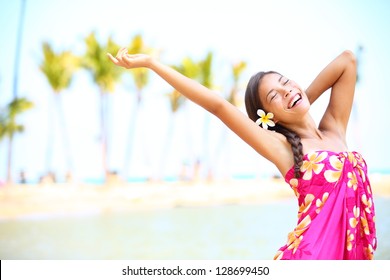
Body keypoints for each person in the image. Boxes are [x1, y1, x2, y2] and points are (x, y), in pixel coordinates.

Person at [107, 48, 377, 260]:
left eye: (286, 83)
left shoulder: (334, 128)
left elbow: (347, 61)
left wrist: (298, 99)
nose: (287, 91)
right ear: (268, 117)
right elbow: (218, 105)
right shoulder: (280, 147)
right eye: (275, 96)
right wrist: (152, 63)